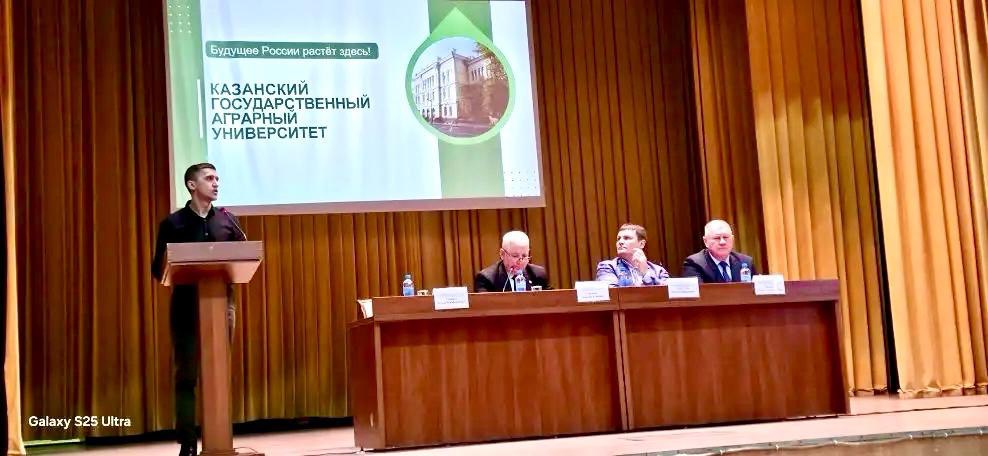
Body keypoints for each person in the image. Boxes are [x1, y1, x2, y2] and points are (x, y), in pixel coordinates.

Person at [151, 163, 246, 456]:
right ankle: (188, 441)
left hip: (221, 304)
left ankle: (219, 438)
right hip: (186, 307)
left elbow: (243, 256)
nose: (216, 183)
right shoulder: (173, 223)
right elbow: (157, 268)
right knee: (187, 376)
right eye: (209, 178)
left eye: (217, 178)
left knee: (218, 371)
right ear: (192, 185)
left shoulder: (228, 221)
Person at [682, 219, 757, 283]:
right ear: (705, 241)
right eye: (717, 238)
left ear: (732, 239)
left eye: (726, 237)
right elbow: (698, 293)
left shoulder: (745, 261)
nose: (722, 242)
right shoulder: (694, 263)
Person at [475, 230, 550, 292]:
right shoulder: (486, 279)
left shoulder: (538, 274)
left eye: (524, 256)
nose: (520, 261)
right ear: (502, 254)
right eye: (515, 256)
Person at [596, 224, 669, 286]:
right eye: (618, 239)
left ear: (641, 244)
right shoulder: (607, 267)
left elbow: (667, 293)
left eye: (626, 238)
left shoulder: (659, 271)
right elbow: (612, 293)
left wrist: (645, 273)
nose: (620, 242)